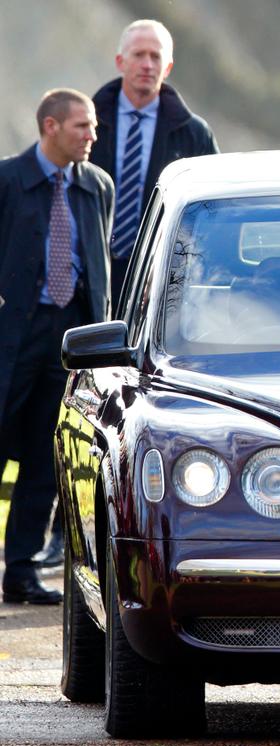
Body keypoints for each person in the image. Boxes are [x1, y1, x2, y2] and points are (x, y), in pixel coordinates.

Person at [0, 89, 114, 604]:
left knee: (47, 458)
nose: (92, 135)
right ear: (51, 126)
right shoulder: (8, 181)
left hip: (70, 339)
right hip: (12, 335)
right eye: (82, 126)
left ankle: (21, 571)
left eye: (93, 126)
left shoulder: (97, 186)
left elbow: (98, 264)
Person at [91, 19, 218, 304]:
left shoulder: (193, 133)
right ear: (120, 62)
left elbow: (211, 211)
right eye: (139, 55)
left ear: (168, 67)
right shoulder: (86, 125)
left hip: (161, 279)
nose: (147, 65)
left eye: (156, 56)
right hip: (92, 273)